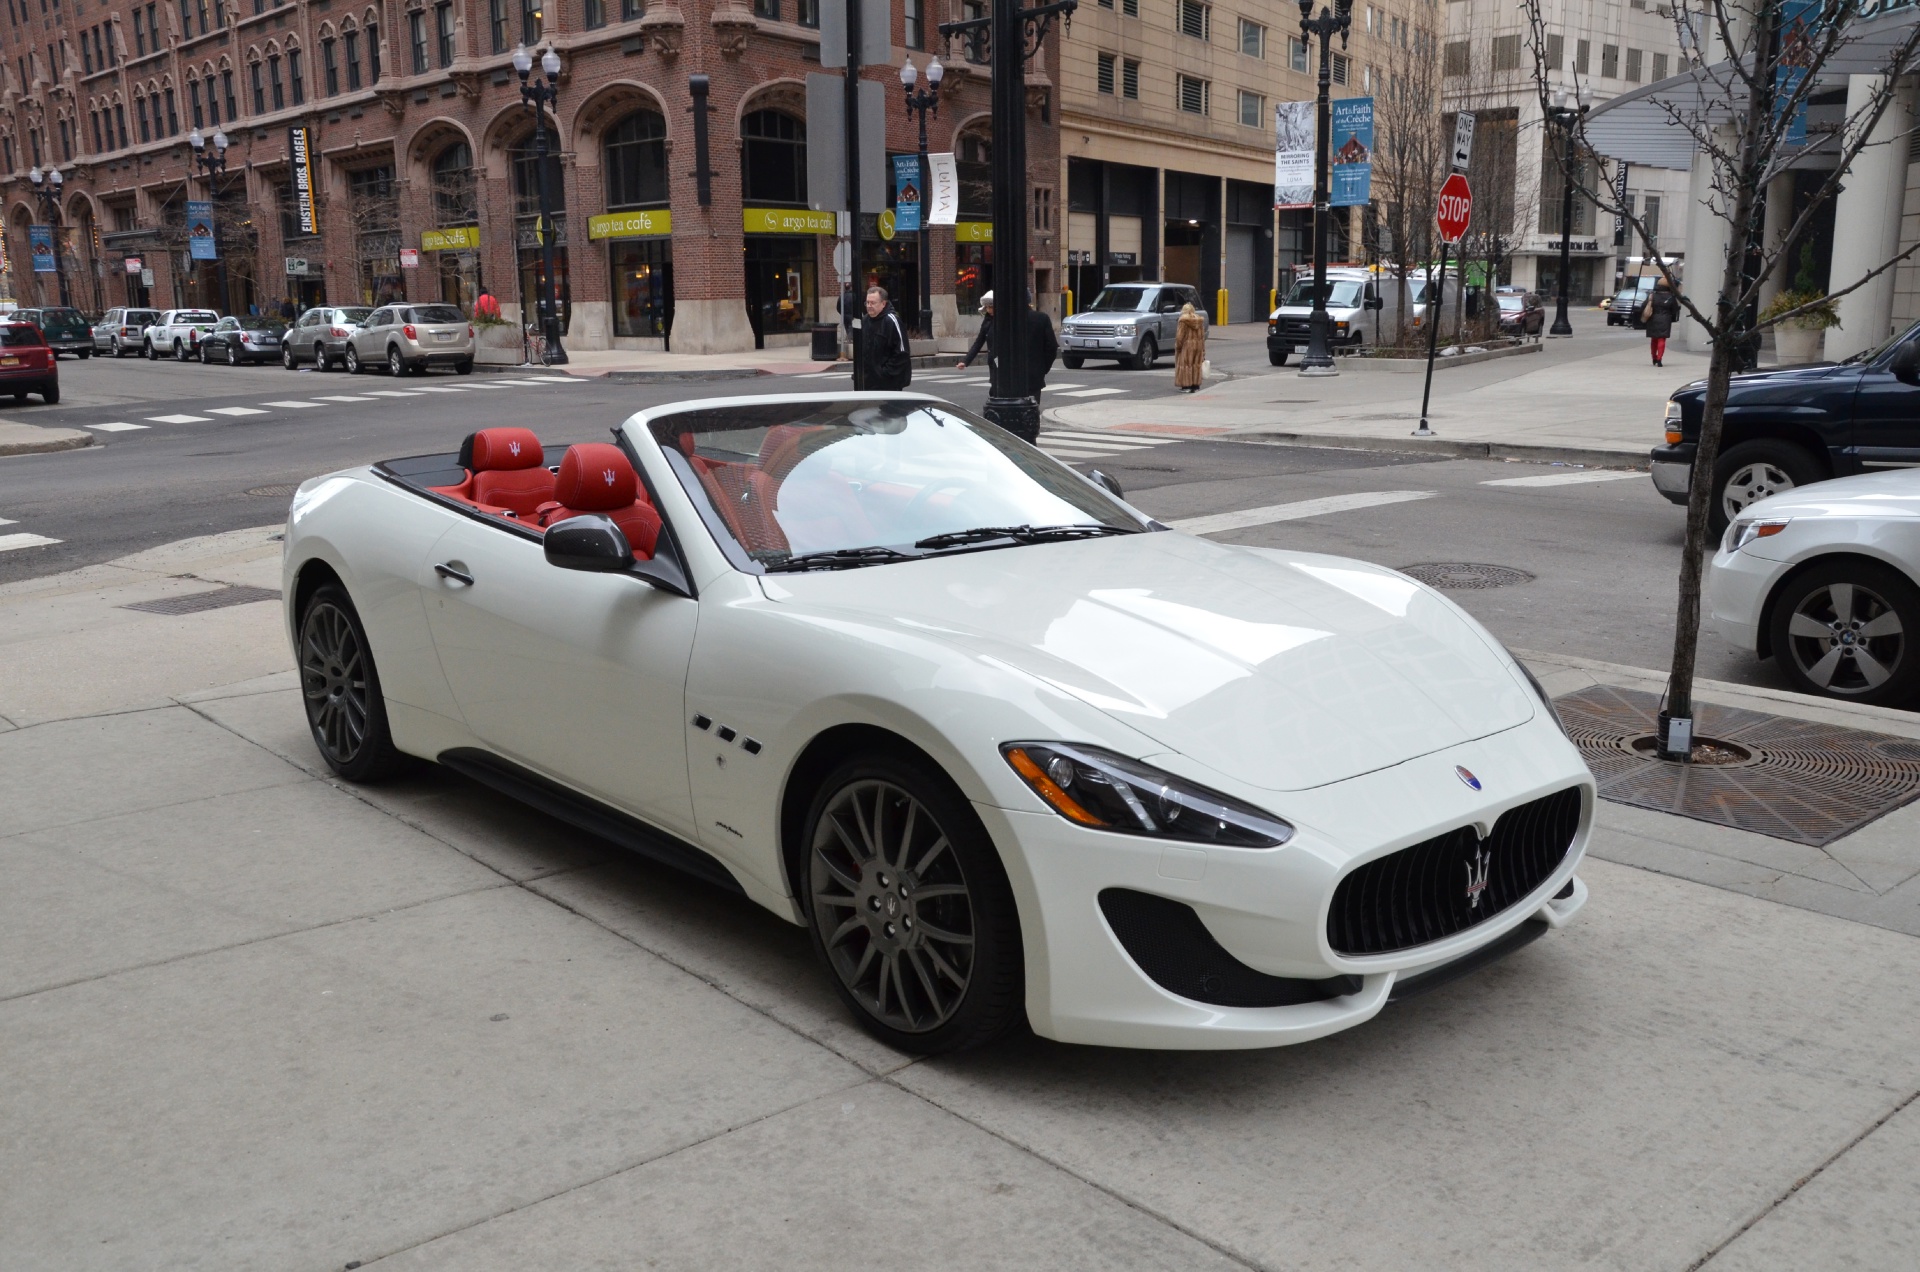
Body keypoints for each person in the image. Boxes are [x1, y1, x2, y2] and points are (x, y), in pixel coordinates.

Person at [861, 285, 912, 391]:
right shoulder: (865, 321)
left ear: (883, 303)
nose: (869, 306)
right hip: (868, 383)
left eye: (873, 303)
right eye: (867, 302)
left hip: (889, 384)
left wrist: (885, 373)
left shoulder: (892, 321)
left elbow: (902, 352)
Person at [1644, 278, 1681, 367]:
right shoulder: (1670, 297)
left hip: (1653, 318)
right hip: (1665, 319)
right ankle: (1660, 359)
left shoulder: (1652, 295)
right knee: (1662, 339)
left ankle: (1654, 357)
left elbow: (1644, 306)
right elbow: (1675, 309)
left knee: (1654, 339)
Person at [1174, 301, 1206, 392]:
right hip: (1198, 346)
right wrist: (1203, 350)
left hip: (1187, 346)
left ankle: (1186, 386)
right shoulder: (1199, 321)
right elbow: (1202, 337)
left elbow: (1180, 337)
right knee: (1195, 365)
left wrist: (1178, 347)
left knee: (1186, 365)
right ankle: (1195, 385)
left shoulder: (1183, 321)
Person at [959, 290, 993, 371]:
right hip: (993, 358)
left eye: (991, 307)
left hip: (1002, 359)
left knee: (999, 377)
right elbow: (979, 342)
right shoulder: (987, 321)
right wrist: (966, 361)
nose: (989, 310)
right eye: (987, 307)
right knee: (995, 379)